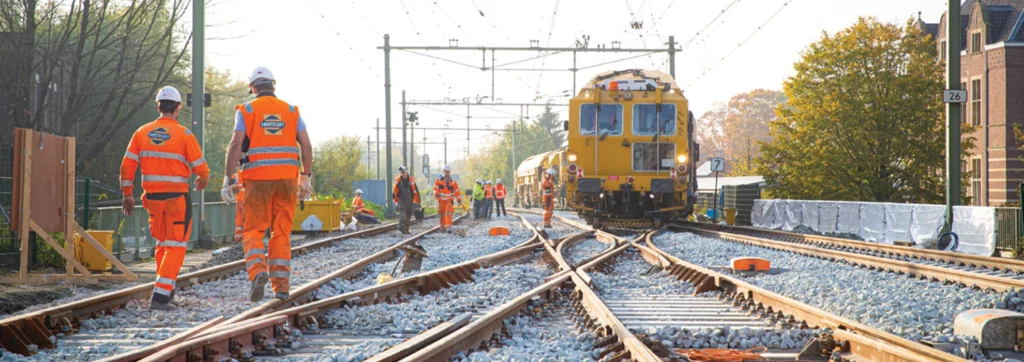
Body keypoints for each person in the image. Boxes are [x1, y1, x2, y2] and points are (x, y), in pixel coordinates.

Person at [221, 66, 314, 302]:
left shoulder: (247, 110)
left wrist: (228, 177)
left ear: (252, 87)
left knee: (252, 230)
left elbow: (235, 143)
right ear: (274, 85)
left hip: (257, 180)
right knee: (281, 232)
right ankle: (281, 287)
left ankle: (258, 271)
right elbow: (306, 145)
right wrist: (306, 175)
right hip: (287, 180)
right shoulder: (291, 111)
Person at [120, 86, 210, 310]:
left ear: (158, 106)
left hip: (151, 199)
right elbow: (201, 168)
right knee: (176, 245)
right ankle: (160, 295)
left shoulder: (142, 132)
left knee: (162, 243)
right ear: (177, 108)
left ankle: (166, 291)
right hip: (176, 199)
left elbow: (127, 164)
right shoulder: (184, 134)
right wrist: (203, 180)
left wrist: (127, 195)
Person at [433, 165, 461, 233]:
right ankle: (442, 227)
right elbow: (435, 188)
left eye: (448, 172)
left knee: (448, 213)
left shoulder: (453, 182)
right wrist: (436, 193)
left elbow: (457, 191)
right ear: (443, 171)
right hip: (441, 201)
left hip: (449, 200)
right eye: (446, 171)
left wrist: (459, 199)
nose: (447, 173)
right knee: (441, 214)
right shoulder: (438, 180)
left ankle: (448, 227)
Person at [393, 165, 420, 234]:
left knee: (408, 213)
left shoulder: (411, 180)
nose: (403, 174)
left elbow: (415, 190)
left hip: (409, 199)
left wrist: (418, 200)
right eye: (402, 173)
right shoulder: (398, 180)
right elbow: (395, 191)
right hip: (401, 199)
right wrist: (395, 201)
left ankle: (406, 228)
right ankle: (401, 225)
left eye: (404, 172)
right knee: (402, 211)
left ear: (406, 172)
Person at [232, 169, 246, 242]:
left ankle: (237, 237)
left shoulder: (235, 175)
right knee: (247, 218)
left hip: (239, 199)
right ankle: (245, 237)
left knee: (239, 217)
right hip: (247, 199)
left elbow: (232, 188)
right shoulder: (248, 173)